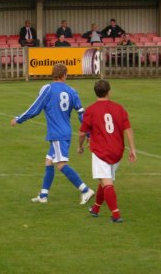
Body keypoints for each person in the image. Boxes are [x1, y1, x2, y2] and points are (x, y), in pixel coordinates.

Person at [11, 63, 94, 205]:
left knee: (61, 165)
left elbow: (35, 108)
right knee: (49, 162)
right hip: (64, 131)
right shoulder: (72, 91)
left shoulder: (47, 88)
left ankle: (85, 190)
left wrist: (19, 119)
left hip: (57, 134)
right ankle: (43, 195)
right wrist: (88, 133)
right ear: (64, 75)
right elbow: (82, 114)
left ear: (53, 74)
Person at [78, 80, 137, 223]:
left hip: (101, 151)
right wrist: (132, 149)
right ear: (109, 91)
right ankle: (96, 208)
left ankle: (116, 215)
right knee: (103, 180)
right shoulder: (119, 108)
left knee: (106, 182)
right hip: (117, 151)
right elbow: (128, 129)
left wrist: (79, 146)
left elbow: (81, 133)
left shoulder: (91, 110)